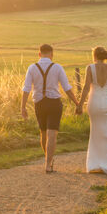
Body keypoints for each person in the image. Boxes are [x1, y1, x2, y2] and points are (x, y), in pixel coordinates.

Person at [20, 44, 80, 173]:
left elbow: (26, 89)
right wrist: (77, 103)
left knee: (43, 133)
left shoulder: (32, 68)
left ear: (39, 54)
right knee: (52, 134)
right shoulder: (57, 67)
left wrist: (23, 107)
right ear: (52, 54)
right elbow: (67, 88)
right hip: (54, 104)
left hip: (39, 104)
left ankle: (48, 160)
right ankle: (48, 163)